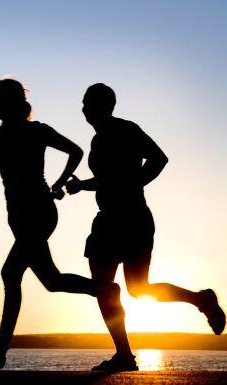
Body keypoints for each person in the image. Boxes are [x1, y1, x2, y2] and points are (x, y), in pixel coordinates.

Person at [0, 79, 118, 369]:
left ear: (9, 103)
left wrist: (58, 182)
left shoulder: (35, 131)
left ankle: (0, 347)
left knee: (10, 272)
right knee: (51, 281)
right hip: (19, 216)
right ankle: (103, 289)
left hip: (38, 212)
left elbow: (76, 151)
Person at [66, 83, 226, 372]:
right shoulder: (98, 140)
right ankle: (126, 354)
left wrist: (134, 184)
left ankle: (199, 301)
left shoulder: (126, 129)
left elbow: (159, 158)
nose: (84, 109)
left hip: (131, 217)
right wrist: (82, 186)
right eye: (83, 104)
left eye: (88, 103)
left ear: (105, 105)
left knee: (133, 289)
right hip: (110, 219)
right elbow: (108, 181)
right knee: (115, 288)